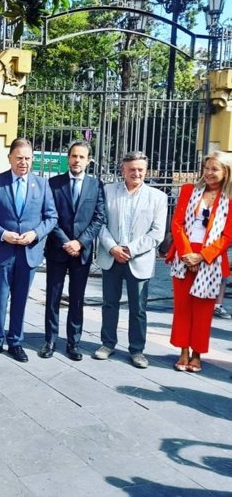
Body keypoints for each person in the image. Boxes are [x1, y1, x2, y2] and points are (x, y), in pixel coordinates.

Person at [0, 138, 58, 362]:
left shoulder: (42, 185)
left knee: (21, 299)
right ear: (10, 158)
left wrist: (35, 234)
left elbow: (51, 217)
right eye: (19, 158)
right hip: (2, 250)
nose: (24, 162)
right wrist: (2, 233)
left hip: (29, 252)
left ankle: (15, 341)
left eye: (28, 158)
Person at [94, 151, 168, 368]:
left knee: (138, 308)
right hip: (111, 257)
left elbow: (157, 232)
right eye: (132, 169)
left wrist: (130, 250)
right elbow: (100, 222)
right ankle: (107, 344)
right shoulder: (107, 191)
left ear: (145, 171)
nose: (136, 173)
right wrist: (113, 248)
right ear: (122, 170)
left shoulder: (158, 197)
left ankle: (137, 350)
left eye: (140, 169)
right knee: (109, 304)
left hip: (139, 260)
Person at [167, 151, 232, 373]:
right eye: (207, 168)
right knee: (183, 308)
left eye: (215, 169)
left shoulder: (230, 199)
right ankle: (183, 351)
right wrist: (187, 255)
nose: (209, 173)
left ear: (226, 172)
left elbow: (227, 235)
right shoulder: (188, 190)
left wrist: (202, 256)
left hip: (210, 259)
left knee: (203, 311)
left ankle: (197, 354)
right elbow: (177, 224)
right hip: (184, 255)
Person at [41, 141, 106, 361]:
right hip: (58, 250)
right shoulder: (53, 184)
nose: (77, 160)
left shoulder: (96, 185)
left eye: (81, 157)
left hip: (82, 252)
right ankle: (50, 340)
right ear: (68, 158)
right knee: (53, 296)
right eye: (73, 156)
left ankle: (73, 342)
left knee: (77, 299)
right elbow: (49, 216)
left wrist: (80, 242)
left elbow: (99, 218)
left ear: (89, 160)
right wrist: (66, 241)